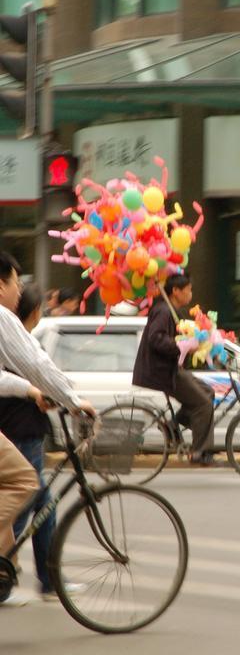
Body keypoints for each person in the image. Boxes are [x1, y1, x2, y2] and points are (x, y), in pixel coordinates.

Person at [0, 252, 96, 604]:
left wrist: (31, 390)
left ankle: (39, 577)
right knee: (27, 486)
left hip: (19, 423)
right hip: (20, 426)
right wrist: (72, 400)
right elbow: (37, 364)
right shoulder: (3, 318)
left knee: (38, 498)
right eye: (17, 282)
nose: (19, 290)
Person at [0, 283, 59, 601]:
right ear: (35, 312)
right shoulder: (19, 344)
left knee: (44, 506)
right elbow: (41, 376)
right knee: (24, 499)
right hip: (23, 432)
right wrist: (70, 399)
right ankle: (6, 566)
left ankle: (50, 580)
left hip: (19, 430)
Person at [133, 273, 218, 466]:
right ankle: (200, 453)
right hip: (161, 371)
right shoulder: (163, 310)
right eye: (187, 290)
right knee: (203, 404)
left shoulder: (172, 310)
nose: (190, 294)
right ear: (175, 291)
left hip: (170, 368)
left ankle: (172, 426)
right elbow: (156, 338)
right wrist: (180, 346)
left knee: (208, 392)